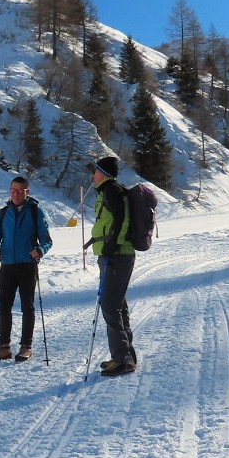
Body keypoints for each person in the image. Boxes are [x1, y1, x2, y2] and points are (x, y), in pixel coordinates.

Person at [0, 175, 54, 362]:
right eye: (12, 190)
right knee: (4, 307)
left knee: (27, 307)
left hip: (27, 266)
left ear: (27, 192)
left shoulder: (35, 212)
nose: (15, 194)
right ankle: (4, 348)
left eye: (19, 191)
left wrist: (40, 250)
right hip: (7, 266)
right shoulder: (2, 213)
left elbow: (47, 240)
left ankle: (26, 347)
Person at [87, 155, 137, 376]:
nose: (92, 175)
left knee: (109, 305)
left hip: (116, 256)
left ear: (103, 174)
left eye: (95, 171)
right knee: (117, 305)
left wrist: (113, 246)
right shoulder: (109, 191)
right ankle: (125, 355)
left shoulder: (112, 190)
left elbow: (122, 219)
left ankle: (122, 359)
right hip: (113, 255)